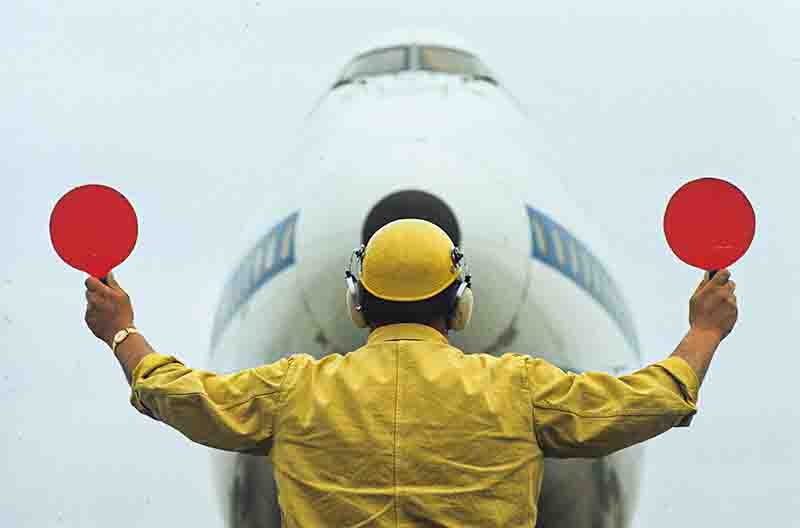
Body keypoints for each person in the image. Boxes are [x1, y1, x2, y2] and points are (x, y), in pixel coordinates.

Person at [84, 219, 737, 527]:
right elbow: (653, 399)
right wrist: (704, 330)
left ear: (356, 303)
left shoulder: (293, 392)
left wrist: (121, 328)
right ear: (461, 305)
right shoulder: (517, 390)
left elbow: (173, 392)